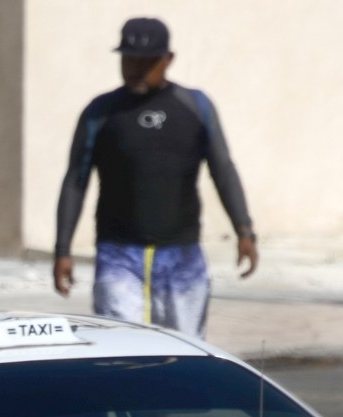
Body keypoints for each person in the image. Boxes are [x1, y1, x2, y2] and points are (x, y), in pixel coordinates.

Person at [53, 16, 257, 337]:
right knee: (122, 349)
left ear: (168, 59)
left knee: (185, 353)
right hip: (119, 256)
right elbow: (76, 180)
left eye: (146, 62)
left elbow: (223, 169)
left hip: (182, 257)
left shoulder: (195, 106)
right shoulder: (100, 112)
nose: (135, 69)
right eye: (129, 60)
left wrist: (244, 230)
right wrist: (62, 249)